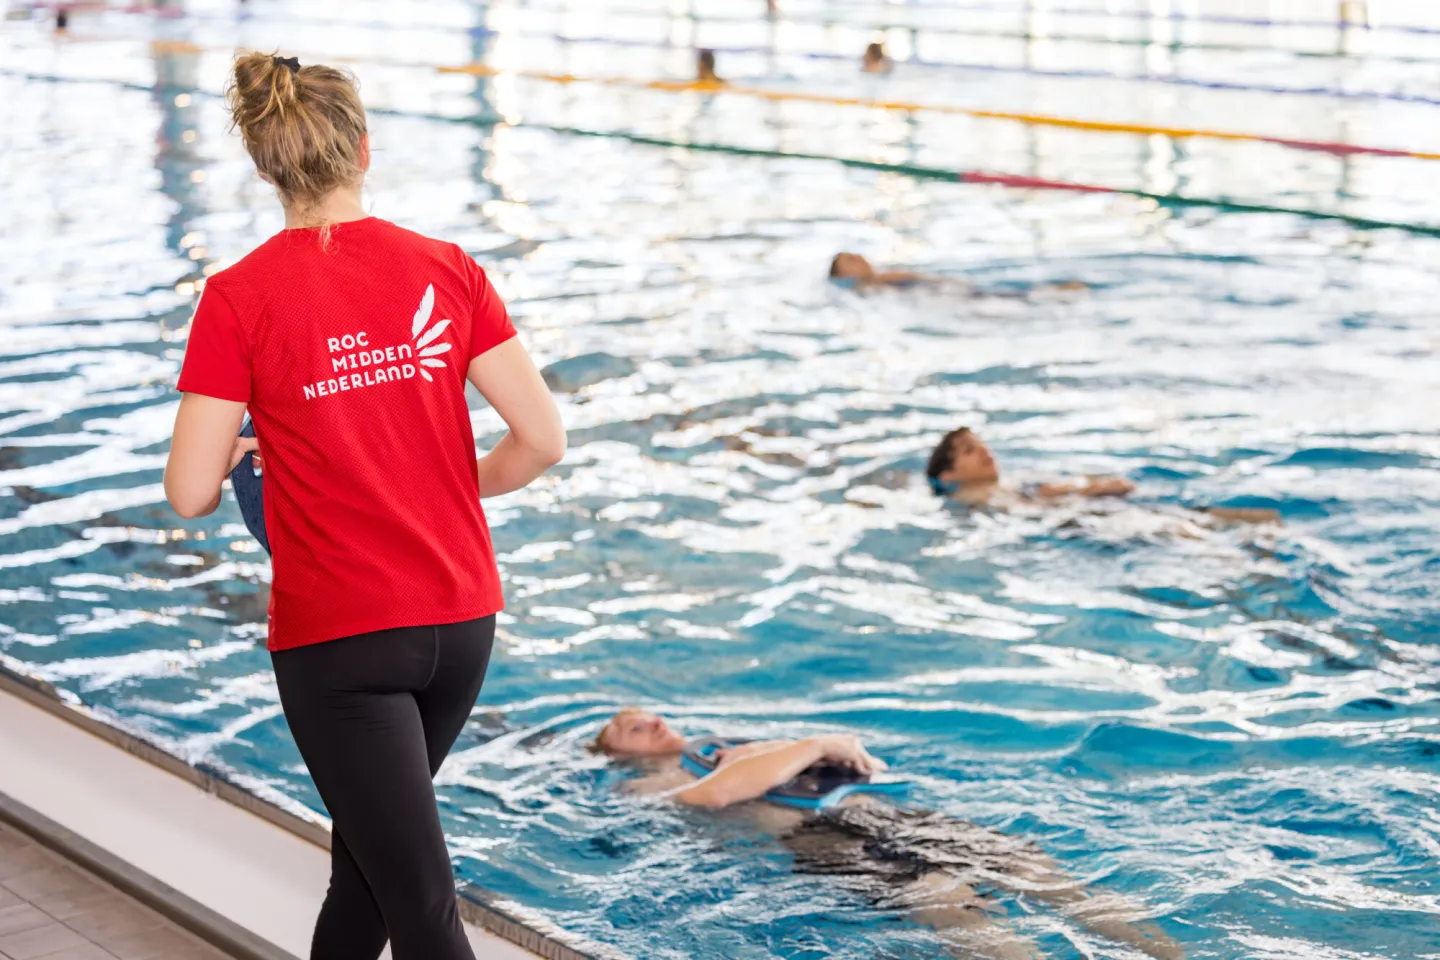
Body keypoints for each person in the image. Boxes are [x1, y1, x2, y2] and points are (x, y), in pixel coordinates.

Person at [163, 52, 565, 960]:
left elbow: (190, 493)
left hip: (341, 638)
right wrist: (448, 485)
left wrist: (236, 449)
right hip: (461, 619)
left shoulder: (238, 299)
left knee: (420, 907)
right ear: (364, 150)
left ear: (266, 167)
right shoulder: (448, 269)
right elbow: (541, 440)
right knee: (370, 878)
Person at [594, 709, 1185, 960]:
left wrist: (840, 755)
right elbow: (719, 795)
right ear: (613, 754)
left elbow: (851, 767)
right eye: (623, 728)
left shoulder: (731, 745)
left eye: (643, 714)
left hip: (880, 813)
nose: (639, 719)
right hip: (824, 840)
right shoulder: (646, 784)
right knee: (960, 913)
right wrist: (820, 742)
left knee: (1043, 875)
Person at [925, 427, 1280, 525]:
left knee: (1259, 521)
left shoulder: (1009, 486)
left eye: (982, 444)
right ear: (951, 473)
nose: (986, 452)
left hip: (1085, 519)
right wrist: (1093, 489)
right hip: (1077, 525)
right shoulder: (970, 498)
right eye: (971, 451)